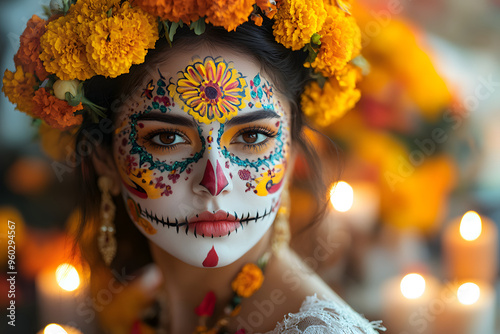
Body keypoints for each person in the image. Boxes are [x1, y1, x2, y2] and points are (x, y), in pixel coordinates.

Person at [2, 0, 385, 333]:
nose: (214, 182)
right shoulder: (139, 307)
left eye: (251, 137)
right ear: (102, 158)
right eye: (167, 139)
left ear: (292, 149)